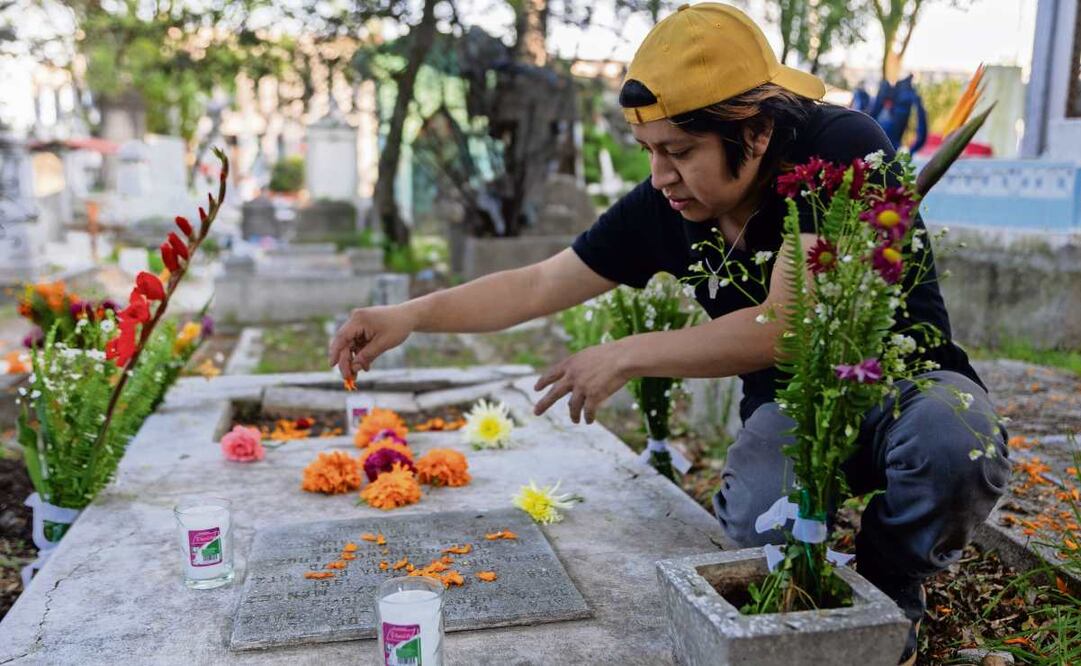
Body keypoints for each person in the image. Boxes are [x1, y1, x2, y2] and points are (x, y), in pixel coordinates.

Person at [328, 4, 1009, 663]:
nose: (659, 176)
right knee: (754, 533)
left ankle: (891, 582)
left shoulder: (841, 148)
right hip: (791, 410)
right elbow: (541, 283)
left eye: (679, 151)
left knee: (952, 441)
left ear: (757, 131)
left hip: (903, 386)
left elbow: (789, 325)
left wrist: (625, 355)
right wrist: (409, 314)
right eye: (649, 151)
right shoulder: (666, 204)